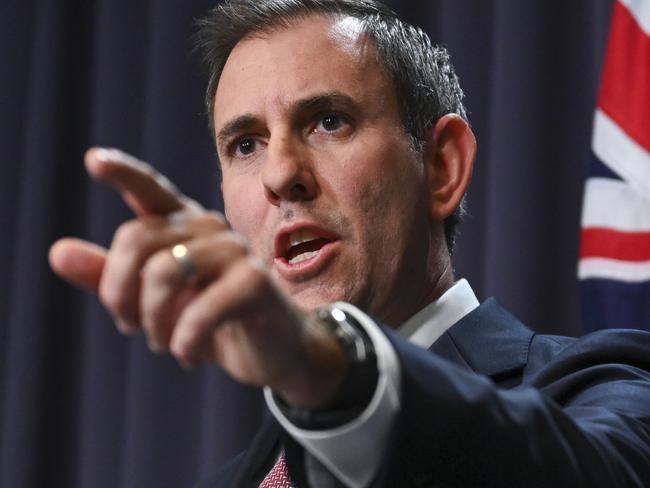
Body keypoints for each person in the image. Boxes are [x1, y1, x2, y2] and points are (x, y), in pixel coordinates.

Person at [48, 0, 650, 486]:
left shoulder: (605, 390)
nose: (281, 174)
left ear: (442, 167)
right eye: (246, 144)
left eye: (328, 121)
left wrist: (335, 370)